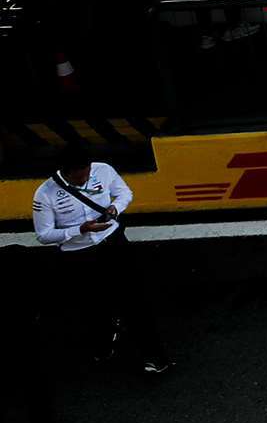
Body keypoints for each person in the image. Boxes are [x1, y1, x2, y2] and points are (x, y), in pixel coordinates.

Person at [30, 142, 172, 376]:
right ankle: (104, 340)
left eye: (86, 174)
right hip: (79, 256)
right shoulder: (44, 194)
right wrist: (80, 230)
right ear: (65, 172)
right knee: (92, 305)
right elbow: (44, 235)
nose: (83, 179)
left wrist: (115, 208)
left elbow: (125, 193)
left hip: (113, 244)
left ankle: (155, 356)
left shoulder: (103, 170)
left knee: (134, 301)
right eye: (78, 177)